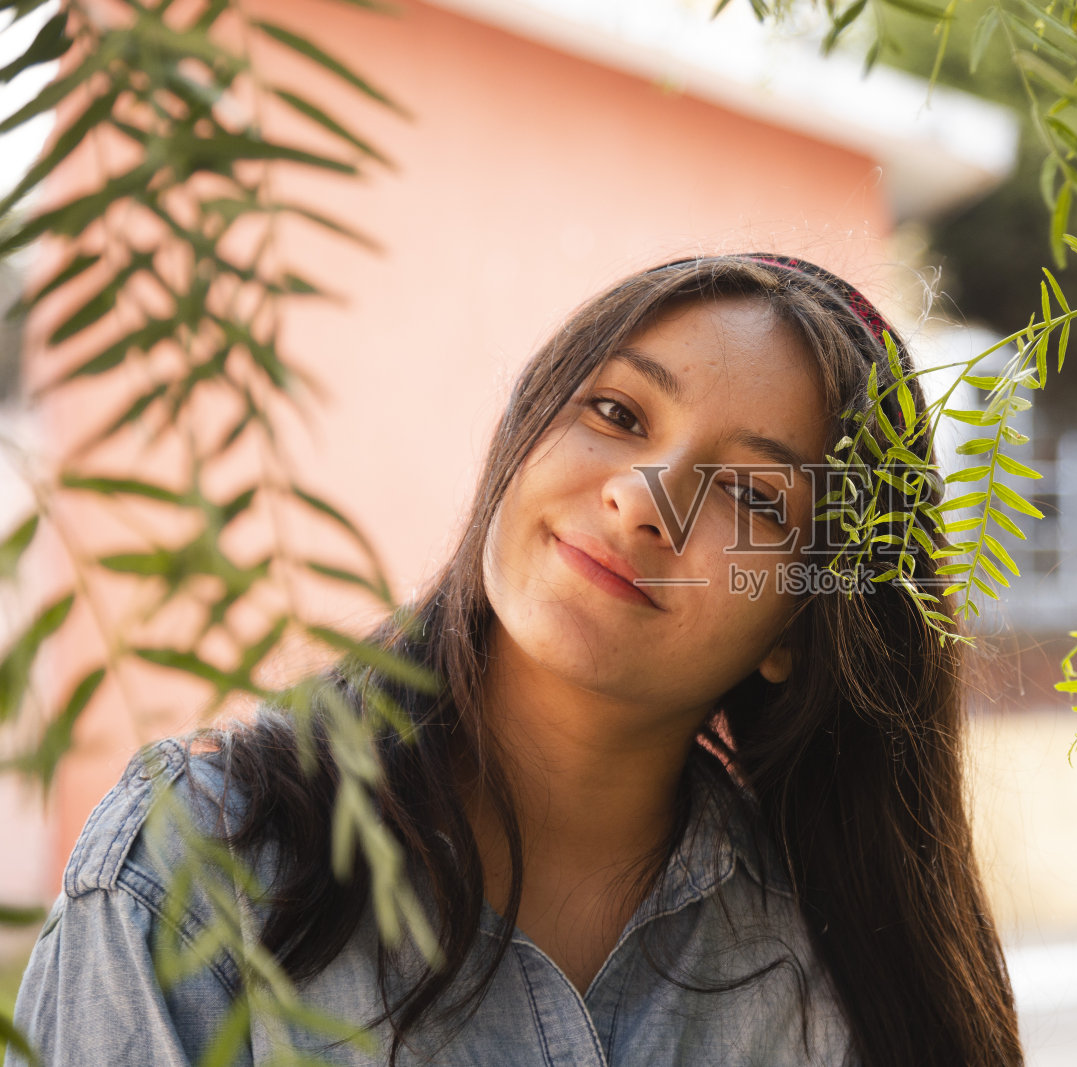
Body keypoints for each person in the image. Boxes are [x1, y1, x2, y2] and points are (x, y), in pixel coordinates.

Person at [7, 254, 1022, 1066]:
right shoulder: (205, 861)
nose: (640, 498)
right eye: (617, 414)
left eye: (753, 497)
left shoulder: (828, 972)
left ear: (800, 626)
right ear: (520, 439)